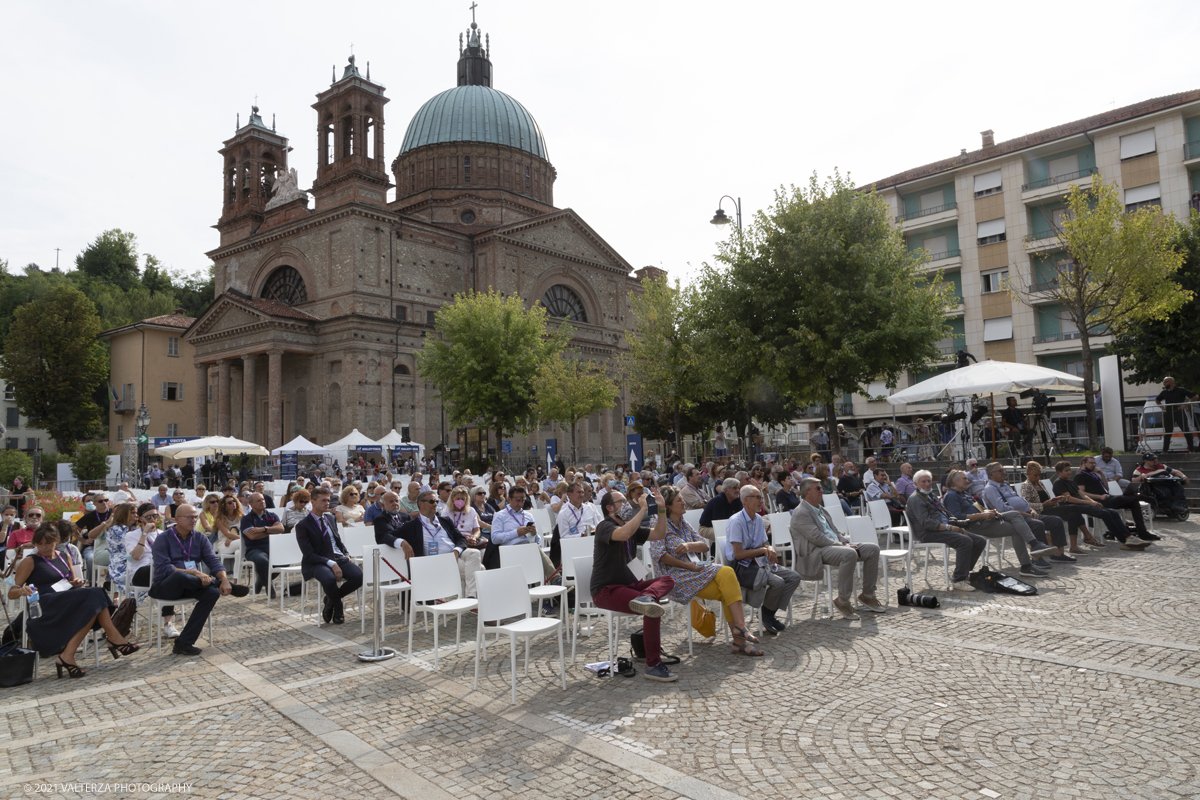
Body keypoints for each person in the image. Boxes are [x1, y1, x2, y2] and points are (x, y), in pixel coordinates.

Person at [6, 523, 141, 676]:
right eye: (39, 544)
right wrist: (22, 590)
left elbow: (71, 580)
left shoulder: (64, 556)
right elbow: (12, 592)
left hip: (65, 599)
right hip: (45, 604)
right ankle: (114, 637)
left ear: (57, 540)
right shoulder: (30, 561)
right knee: (96, 595)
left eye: (48, 543)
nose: (44, 547)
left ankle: (68, 656)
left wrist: (76, 582)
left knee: (93, 602)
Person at [650, 486, 761, 656]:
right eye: (679, 500)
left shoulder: (683, 523)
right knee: (727, 575)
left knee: (727, 584)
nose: (683, 502)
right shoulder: (659, 524)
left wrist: (688, 545)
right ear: (669, 506)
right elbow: (660, 555)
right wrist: (689, 566)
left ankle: (739, 638)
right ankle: (740, 633)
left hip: (696, 572)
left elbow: (703, 544)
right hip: (676, 577)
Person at [591, 483, 677, 681]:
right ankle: (653, 664)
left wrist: (662, 509)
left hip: (630, 585)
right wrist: (644, 509)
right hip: (607, 590)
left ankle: (646, 597)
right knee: (652, 608)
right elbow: (624, 534)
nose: (627, 503)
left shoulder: (631, 527)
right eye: (622, 501)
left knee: (668, 579)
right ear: (610, 508)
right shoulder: (606, 526)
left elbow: (659, 534)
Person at [149, 504, 249, 655]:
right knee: (179, 575)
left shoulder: (199, 537)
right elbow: (164, 569)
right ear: (177, 519)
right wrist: (195, 574)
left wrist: (224, 579)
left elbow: (213, 561)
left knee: (212, 594)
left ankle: (183, 643)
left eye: (195, 516)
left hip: (191, 586)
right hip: (165, 587)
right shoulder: (163, 539)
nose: (193, 520)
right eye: (189, 517)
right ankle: (215, 584)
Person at [790, 477, 885, 618]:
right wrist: (843, 545)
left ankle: (867, 595)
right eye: (818, 488)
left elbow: (835, 531)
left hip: (834, 546)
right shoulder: (801, 512)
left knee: (872, 549)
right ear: (807, 493)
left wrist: (844, 542)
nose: (822, 490)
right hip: (816, 551)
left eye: (821, 487)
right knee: (849, 554)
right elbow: (817, 538)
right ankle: (843, 601)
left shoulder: (820, 509)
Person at [943, 470, 1055, 577]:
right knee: (1016, 529)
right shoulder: (952, 496)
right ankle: (1026, 565)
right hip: (975, 526)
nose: (968, 481)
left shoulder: (964, 494)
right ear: (954, 480)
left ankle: (1034, 545)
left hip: (985, 519)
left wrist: (989, 512)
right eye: (964, 478)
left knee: (1015, 514)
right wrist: (982, 515)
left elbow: (980, 509)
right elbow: (957, 518)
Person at [725, 485, 801, 633]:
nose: (761, 501)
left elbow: (764, 543)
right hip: (742, 567)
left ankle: (768, 613)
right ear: (746, 500)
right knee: (778, 582)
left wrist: (770, 548)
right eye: (758, 497)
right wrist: (763, 550)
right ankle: (768, 615)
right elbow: (738, 554)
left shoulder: (758, 519)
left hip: (758, 562)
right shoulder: (736, 521)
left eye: (761, 497)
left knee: (794, 577)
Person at [382, 490, 484, 598]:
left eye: (436, 501)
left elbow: (461, 539)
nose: (435, 504)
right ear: (420, 503)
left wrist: (456, 550)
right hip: (437, 561)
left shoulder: (445, 521)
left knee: (474, 553)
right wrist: (402, 542)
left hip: (455, 554)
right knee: (480, 570)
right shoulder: (411, 525)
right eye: (431, 501)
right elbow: (385, 536)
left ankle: (470, 597)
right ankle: (473, 598)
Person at [905, 469, 986, 591]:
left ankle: (962, 572)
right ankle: (959, 579)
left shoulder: (930, 495)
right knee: (965, 541)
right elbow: (927, 523)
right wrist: (952, 528)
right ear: (916, 484)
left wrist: (957, 524)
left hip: (943, 528)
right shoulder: (916, 498)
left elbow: (946, 513)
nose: (927, 484)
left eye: (929, 481)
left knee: (980, 541)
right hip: (929, 533)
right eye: (923, 482)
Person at [295, 487, 363, 624]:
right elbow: (309, 554)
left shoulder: (330, 518)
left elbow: (338, 540)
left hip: (338, 557)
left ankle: (330, 599)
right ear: (313, 502)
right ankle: (338, 608)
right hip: (317, 561)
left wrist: (346, 553)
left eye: (329, 500)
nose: (327, 503)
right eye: (323, 500)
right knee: (329, 578)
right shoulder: (303, 525)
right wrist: (331, 563)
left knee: (359, 577)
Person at [983, 462, 1075, 563]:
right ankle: (1038, 558)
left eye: (1003, 470)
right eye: (1000, 470)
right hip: (1013, 518)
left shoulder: (1005, 485)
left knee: (1056, 521)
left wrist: (1032, 510)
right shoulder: (990, 489)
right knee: (1038, 524)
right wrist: (1027, 514)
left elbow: (1022, 501)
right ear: (992, 474)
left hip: (1028, 513)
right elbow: (1003, 509)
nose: (1004, 472)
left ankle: (1058, 554)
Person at [1052, 461, 1152, 548]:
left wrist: (1093, 502)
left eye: (1069, 470)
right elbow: (1069, 498)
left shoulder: (1071, 482)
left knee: (1113, 513)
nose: (1069, 472)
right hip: (1073, 507)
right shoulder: (1059, 483)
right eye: (1066, 471)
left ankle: (1128, 536)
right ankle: (1124, 539)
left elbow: (1082, 494)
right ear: (1059, 472)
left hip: (1084, 503)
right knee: (1105, 514)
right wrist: (1089, 502)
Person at [122, 503, 179, 638]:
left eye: (155, 516)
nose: (152, 519)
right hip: (141, 572)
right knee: (168, 574)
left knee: (171, 576)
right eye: (148, 517)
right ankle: (168, 623)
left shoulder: (163, 534)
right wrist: (144, 533)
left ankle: (168, 623)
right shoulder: (131, 535)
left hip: (161, 570)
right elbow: (136, 556)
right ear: (140, 519)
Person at [1017, 461, 1095, 556]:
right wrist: (1043, 505)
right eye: (1035, 475)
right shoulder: (1026, 486)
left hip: (1050, 508)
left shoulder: (1040, 483)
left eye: (1039, 475)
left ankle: (1073, 547)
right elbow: (1026, 504)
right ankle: (1087, 536)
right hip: (1041, 511)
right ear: (1028, 474)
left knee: (1073, 515)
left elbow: (1047, 499)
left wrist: (1057, 499)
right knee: (1074, 508)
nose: (1037, 478)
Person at [1074, 456, 1157, 541]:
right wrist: (1099, 496)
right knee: (1124, 498)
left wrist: (1102, 474)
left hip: (1107, 497)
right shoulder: (1080, 476)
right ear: (1084, 463)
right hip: (1099, 501)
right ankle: (1140, 497)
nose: (1094, 465)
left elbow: (1107, 488)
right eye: (1091, 463)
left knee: (1134, 502)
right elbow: (1082, 493)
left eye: (1095, 463)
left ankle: (1142, 532)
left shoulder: (1093, 474)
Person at [482, 486, 555, 578]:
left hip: (528, 547)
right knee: (534, 549)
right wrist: (516, 533)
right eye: (517, 500)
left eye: (523, 500)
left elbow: (537, 541)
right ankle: (554, 578)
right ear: (509, 499)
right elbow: (495, 538)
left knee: (535, 547)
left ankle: (554, 578)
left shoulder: (528, 515)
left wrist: (534, 534)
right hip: (510, 551)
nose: (520, 504)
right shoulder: (500, 515)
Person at [549, 481, 605, 567]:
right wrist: (581, 536)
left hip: (593, 543)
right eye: (578, 492)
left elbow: (598, 526)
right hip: (575, 547)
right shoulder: (563, 513)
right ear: (570, 495)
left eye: (582, 492)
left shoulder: (589, 508)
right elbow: (564, 537)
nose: (581, 495)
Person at [241, 493, 284, 597]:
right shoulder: (246, 519)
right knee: (262, 561)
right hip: (254, 549)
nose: (262, 502)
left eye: (263, 499)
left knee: (285, 560)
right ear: (251, 504)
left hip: (272, 547)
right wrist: (271, 531)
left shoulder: (272, 515)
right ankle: (269, 586)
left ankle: (261, 580)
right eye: (258, 501)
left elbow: (281, 529)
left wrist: (263, 529)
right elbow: (252, 537)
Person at [75, 492, 115, 582]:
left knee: (116, 557)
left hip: (110, 545)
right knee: (90, 558)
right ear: (95, 503)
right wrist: (82, 540)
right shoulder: (89, 516)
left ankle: (109, 582)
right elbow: (73, 529)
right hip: (92, 546)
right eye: (101, 501)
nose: (104, 502)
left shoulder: (114, 513)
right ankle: (93, 582)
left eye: (106, 500)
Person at [1155, 377, 1198, 452]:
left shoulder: (1181, 390)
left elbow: (1195, 396)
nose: (1164, 384)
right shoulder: (1165, 392)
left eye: (1165, 382)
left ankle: (1191, 449)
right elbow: (1157, 400)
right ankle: (1165, 451)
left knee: (1186, 430)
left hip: (1179, 412)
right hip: (1169, 413)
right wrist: (1162, 407)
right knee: (1168, 432)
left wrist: (1187, 405)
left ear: (1171, 382)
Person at [698, 478, 742, 543]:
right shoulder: (718, 500)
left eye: (738, 488)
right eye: (735, 488)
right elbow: (719, 523)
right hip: (707, 528)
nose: (738, 490)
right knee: (729, 533)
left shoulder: (736, 500)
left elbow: (740, 518)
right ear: (726, 490)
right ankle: (722, 552)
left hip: (725, 526)